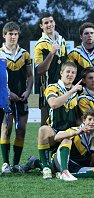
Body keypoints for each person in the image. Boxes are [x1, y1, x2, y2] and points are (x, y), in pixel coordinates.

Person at [37, 62, 82, 179]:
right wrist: (72, 91)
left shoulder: (79, 91)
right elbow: (53, 104)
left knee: (68, 139)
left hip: (70, 132)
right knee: (43, 129)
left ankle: (41, 164)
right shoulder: (53, 87)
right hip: (55, 131)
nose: (70, 75)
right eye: (68, 71)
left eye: (73, 72)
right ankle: (45, 166)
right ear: (61, 72)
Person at [0, 22, 33, 174]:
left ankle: (16, 164)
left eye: (15, 34)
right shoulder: (0, 53)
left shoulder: (25, 54)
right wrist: (7, 92)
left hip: (22, 98)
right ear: (4, 35)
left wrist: (27, 91)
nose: (13, 37)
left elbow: (30, 76)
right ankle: (5, 164)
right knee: (7, 129)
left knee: (22, 130)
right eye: (10, 34)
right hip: (5, 98)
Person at [34, 12, 68, 126]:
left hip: (62, 88)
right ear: (41, 26)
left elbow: (65, 64)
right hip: (47, 89)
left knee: (62, 124)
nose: (49, 24)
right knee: (46, 125)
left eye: (51, 21)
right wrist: (52, 53)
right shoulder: (40, 45)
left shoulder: (62, 41)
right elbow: (40, 70)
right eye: (46, 22)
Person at [53, 108, 94, 181]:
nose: (92, 122)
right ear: (83, 120)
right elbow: (56, 137)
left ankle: (66, 175)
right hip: (63, 162)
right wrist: (76, 133)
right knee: (67, 140)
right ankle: (64, 171)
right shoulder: (75, 129)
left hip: (78, 165)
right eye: (89, 119)